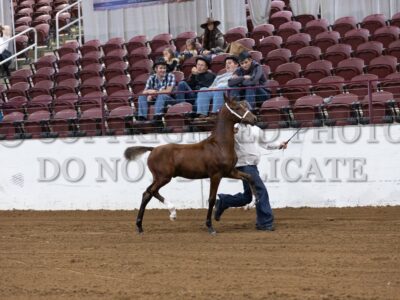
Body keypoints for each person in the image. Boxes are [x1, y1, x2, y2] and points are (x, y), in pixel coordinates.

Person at [214, 123, 288, 231]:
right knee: (260, 191)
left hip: (252, 166)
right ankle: (265, 223)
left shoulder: (255, 129)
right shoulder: (234, 127)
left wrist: (279, 145)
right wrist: (229, 131)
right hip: (244, 166)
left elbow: (266, 143)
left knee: (247, 197)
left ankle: (223, 201)